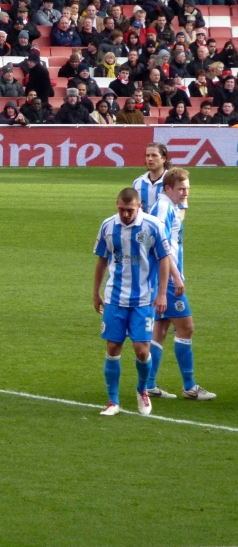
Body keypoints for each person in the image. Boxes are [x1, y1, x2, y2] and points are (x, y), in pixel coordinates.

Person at [92, 187, 171, 416]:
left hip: (144, 298)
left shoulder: (153, 225)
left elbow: (164, 260)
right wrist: (96, 292)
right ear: (116, 204)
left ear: (139, 207)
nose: (125, 214)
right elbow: (102, 261)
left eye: (129, 210)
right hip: (115, 297)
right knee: (113, 347)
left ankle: (141, 390)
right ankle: (113, 401)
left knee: (141, 350)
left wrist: (162, 293)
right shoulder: (108, 226)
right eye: (121, 209)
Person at [145, 168, 215, 402]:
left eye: (187, 188)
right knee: (186, 327)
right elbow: (161, 244)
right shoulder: (164, 208)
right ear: (168, 189)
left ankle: (149, 383)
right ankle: (190, 387)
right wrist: (175, 276)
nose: (186, 193)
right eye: (181, 189)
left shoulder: (169, 205)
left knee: (161, 329)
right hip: (166, 278)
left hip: (161, 278)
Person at [132, 142, 180, 218]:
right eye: (147, 156)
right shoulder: (137, 183)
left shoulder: (173, 181)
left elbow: (181, 210)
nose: (150, 159)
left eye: (154, 155)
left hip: (166, 228)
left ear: (163, 159)